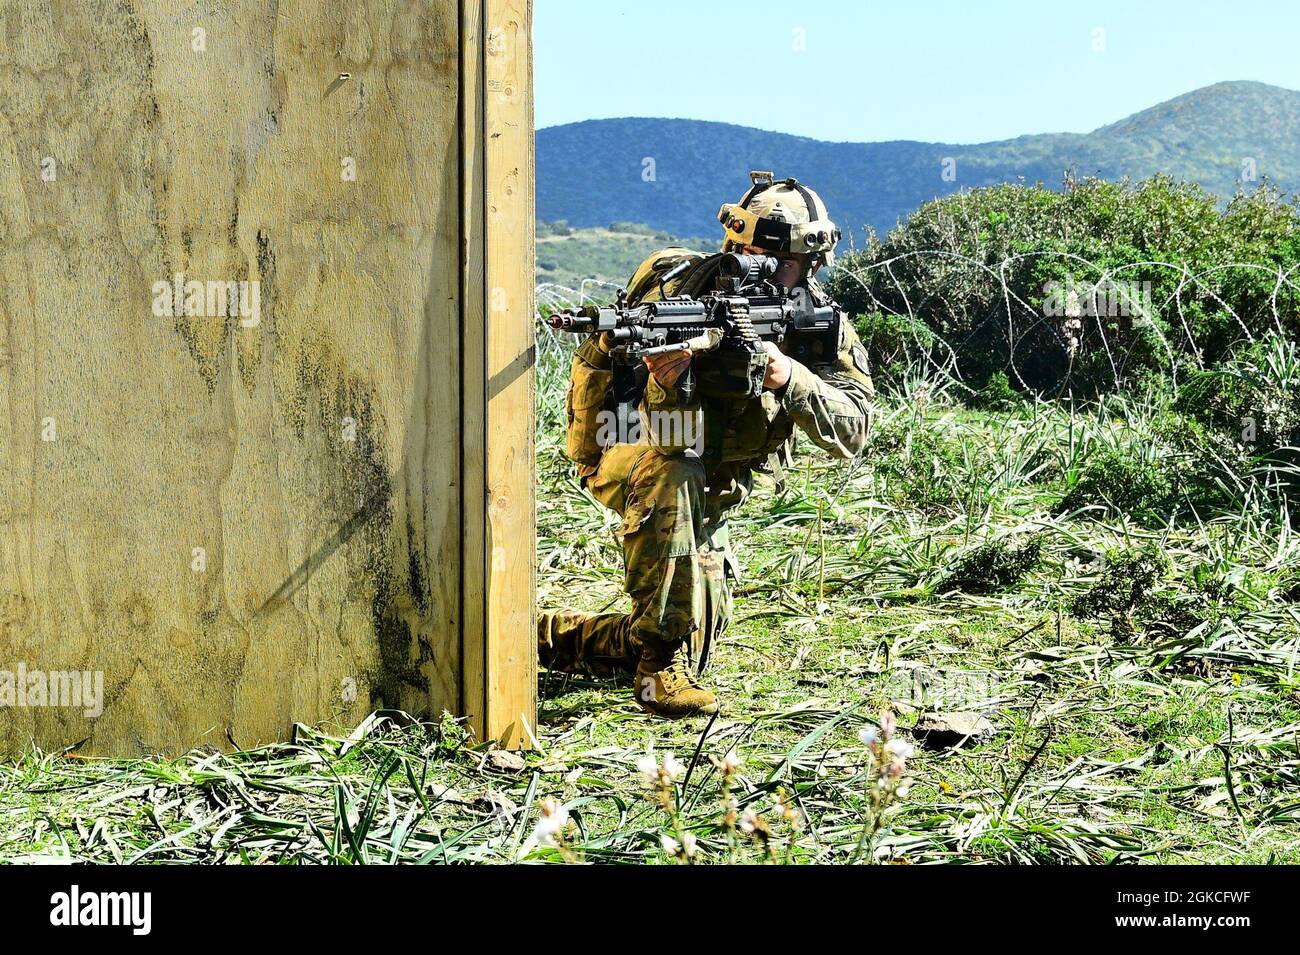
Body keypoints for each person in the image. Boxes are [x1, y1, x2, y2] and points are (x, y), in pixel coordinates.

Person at [538, 171, 875, 718]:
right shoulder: (679, 290)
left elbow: (854, 430)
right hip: (629, 449)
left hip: (717, 479)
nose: (755, 274)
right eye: (745, 257)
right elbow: (661, 432)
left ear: (811, 266)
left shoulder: (816, 319)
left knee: (691, 629)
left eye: (775, 265)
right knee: (679, 471)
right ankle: (654, 676)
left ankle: (548, 638)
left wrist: (787, 375)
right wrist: (667, 378)